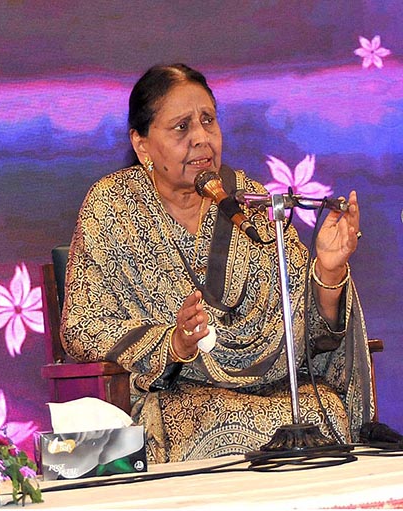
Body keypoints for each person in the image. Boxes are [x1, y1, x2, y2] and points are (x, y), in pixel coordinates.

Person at [60, 63, 375, 463]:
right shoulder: (112, 206)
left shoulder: (249, 200)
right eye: (181, 127)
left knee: (322, 411)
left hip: (273, 387)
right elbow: (82, 327)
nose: (201, 139)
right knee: (210, 419)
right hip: (174, 393)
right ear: (142, 146)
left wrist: (328, 270)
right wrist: (172, 342)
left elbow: (313, 329)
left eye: (208, 121)